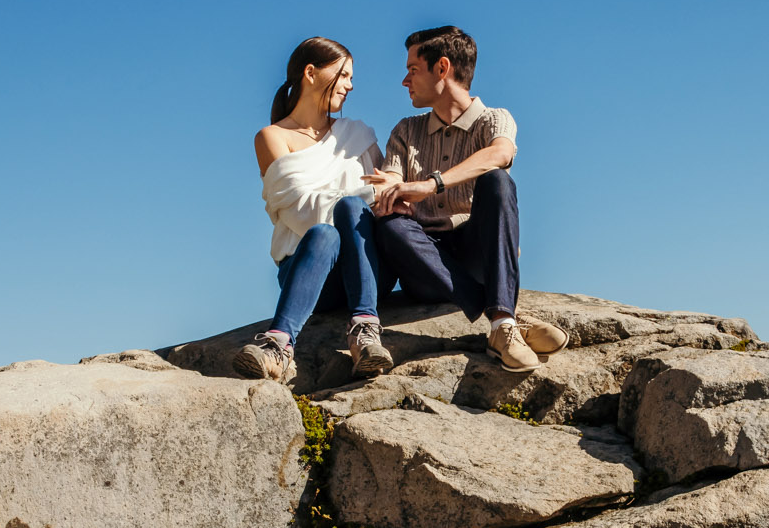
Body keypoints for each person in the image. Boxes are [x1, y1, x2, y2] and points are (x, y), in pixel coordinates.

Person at [365, 25, 569, 372]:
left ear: (442, 68)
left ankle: (501, 324)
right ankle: (507, 317)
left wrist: (430, 185)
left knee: (498, 182)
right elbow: (392, 188)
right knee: (389, 224)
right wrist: (393, 192)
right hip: (426, 264)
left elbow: (500, 154)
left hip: (477, 252)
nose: (404, 81)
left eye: (412, 70)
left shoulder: (494, 119)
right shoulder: (405, 130)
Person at [233, 37, 396, 384]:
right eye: (344, 75)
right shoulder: (272, 137)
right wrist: (368, 191)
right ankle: (278, 346)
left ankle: (366, 331)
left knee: (352, 207)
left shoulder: (358, 135)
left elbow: (386, 202)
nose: (351, 85)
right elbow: (302, 214)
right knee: (324, 231)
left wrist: (359, 198)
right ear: (311, 73)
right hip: (309, 273)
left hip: (367, 268)